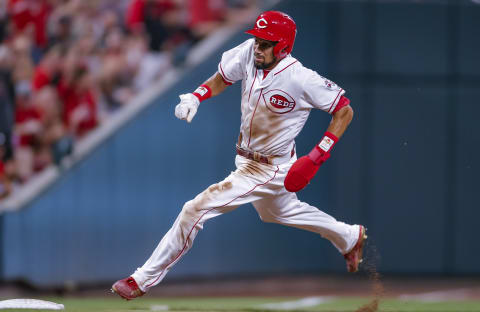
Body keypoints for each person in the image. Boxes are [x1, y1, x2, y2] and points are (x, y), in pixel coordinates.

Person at [112, 11, 366, 300]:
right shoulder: (249, 53)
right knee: (277, 212)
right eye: (257, 40)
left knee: (194, 209)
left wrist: (317, 156)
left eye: (266, 43)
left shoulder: (301, 78)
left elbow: (344, 109)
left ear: (283, 46)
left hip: (268, 168)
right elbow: (223, 77)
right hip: (248, 158)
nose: (258, 46)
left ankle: (141, 279)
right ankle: (348, 236)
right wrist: (197, 95)